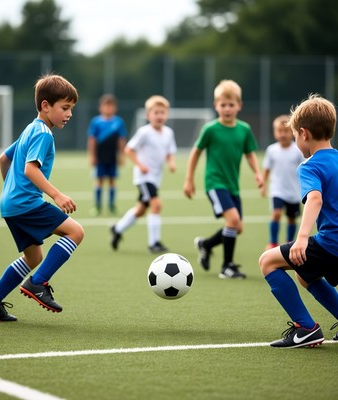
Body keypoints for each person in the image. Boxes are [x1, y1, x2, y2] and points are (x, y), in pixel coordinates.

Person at [0, 74, 84, 322]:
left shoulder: (30, 128)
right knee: (75, 232)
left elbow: (4, 159)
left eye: (71, 109)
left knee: (34, 257)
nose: (69, 114)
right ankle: (38, 283)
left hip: (11, 205)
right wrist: (56, 195)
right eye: (65, 108)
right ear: (46, 106)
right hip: (26, 204)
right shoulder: (44, 133)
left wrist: (10, 190)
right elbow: (30, 169)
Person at [259, 94, 338, 348]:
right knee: (305, 275)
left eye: (294, 135)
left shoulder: (309, 166)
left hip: (331, 243)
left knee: (268, 261)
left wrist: (302, 238)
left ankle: (306, 329)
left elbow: (314, 198)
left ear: (303, 133)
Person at [183, 79, 263, 279]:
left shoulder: (244, 129)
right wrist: (189, 180)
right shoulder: (210, 129)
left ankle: (206, 244)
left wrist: (258, 172)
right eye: (223, 105)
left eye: (231, 105)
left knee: (238, 227)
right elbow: (195, 152)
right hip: (215, 183)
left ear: (239, 106)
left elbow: (250, 153)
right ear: (216, 105)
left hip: (232, 185)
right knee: (233, 220)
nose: (227, 109)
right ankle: (227, 267)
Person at [110, 95, 176, 253]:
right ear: (148, 115)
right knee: (156, 205)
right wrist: (141, 165)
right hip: (144, 177)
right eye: (156, 112)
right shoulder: (144, 132)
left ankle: (117, 229)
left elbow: (170, 152)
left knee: (140, 210)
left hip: (156, 178)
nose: (159, 116)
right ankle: (154, 243)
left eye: (162, 112)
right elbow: (128, 149)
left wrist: (171, 162)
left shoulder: (168, 133)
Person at [261, 115, 304, 249]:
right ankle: (273, 242)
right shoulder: (271, 150)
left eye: (285, 131)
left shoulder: (297, 150)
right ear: (275, 132)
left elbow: (303, 168)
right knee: (276, 213)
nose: (282, 134)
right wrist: (263, 184)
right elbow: (267, 169)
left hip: (293, 191)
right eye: (279, 131)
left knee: (292, 218)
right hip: (277, 190)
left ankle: (289, 242)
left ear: (292, 132)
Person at [87, 94, 127, 216]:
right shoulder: (96, 122)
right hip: (100, 157)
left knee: (112, 181)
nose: (108, 109)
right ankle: (97, 206)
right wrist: (92, 156)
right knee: (99, 181)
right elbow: (92, 140)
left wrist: (121, 155)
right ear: (101, 107)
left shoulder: (118, 122)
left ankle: (111, 205)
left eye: (111, 106)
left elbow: (121, 139)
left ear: (115, 108)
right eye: (106, 106)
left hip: (112, 157)